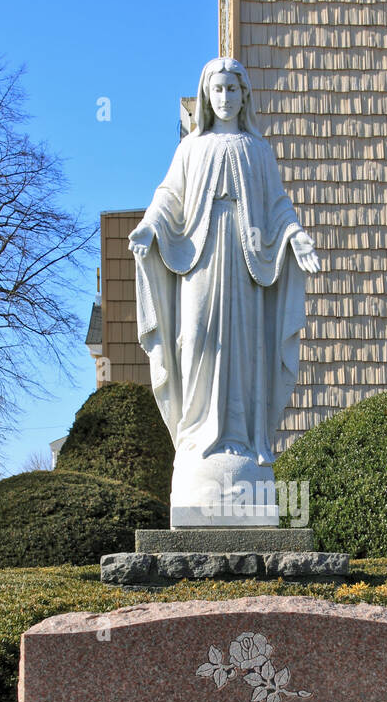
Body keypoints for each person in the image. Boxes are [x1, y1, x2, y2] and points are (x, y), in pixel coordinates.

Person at [129, 57, 320, 477]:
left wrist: (294, 235)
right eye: (218, 89)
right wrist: (149, 228)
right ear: (206, 96)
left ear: (244, 94)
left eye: (233, 89)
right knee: (194, 338)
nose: (225, 97)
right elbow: (168, 197)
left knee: (245, 346)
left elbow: (277, 205)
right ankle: (196, 437)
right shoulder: (191, 148)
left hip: (247, 261)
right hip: (198, 258)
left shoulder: (258, 150)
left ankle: (245, 437)